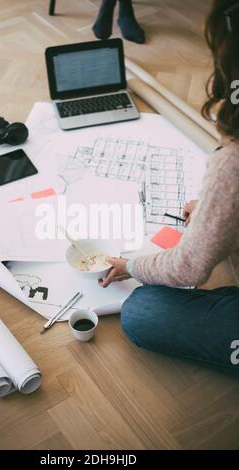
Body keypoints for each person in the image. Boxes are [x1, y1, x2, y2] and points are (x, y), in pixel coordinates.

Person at [99, 0, 239, 376]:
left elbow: (188, 268)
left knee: (144, 311)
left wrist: (132, 265)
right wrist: (218, 212)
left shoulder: (232, 163)